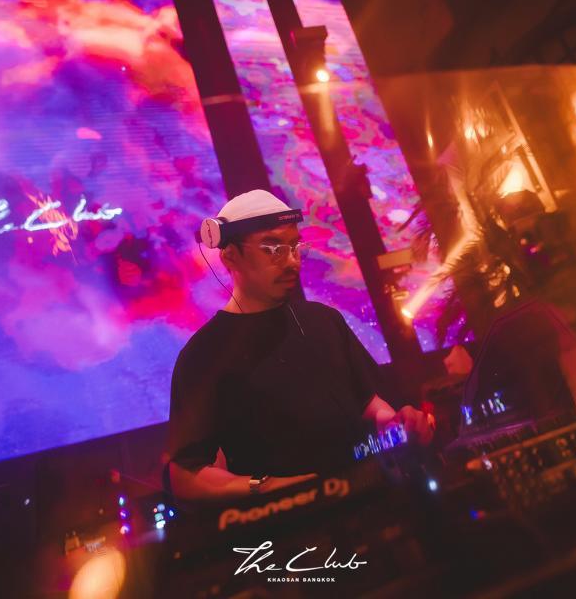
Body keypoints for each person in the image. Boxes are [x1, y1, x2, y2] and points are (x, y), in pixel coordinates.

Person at [167, 189, 433, 503]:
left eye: (295, 247)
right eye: (273, 249)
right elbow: (186, 475)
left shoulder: (324, 320)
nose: (292, 261)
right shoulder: (203, 355)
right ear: (230, 256)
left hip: (374, 499)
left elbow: (368, 403)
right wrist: (269, 487)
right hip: (292, 522)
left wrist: (396, 424)